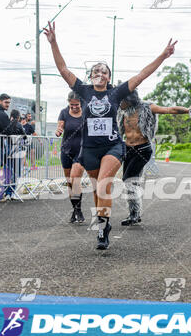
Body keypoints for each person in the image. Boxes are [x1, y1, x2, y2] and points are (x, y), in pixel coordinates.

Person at [45, 21, 177, 250]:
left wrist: (163, 56)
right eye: (96, 71)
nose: (99, 73)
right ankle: (102, 223)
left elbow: (142, 74)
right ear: (91, 76)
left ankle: (103, 229)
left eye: (103, 71)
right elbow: (63, 70)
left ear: (108, 77)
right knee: (98, 188)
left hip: (113, 147)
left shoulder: (116, 93)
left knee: (104, 183)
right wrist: (54, 42)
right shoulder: (83, 91)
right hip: (89, 150)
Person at [117, 90, 191, 226]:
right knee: (131, 181)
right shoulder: (121, 111)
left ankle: (134, 214)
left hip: (143, 149)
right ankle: (135, 213)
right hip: (128, 149)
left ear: (129, 100)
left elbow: (169, 109)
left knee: (128, 179)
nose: (120, 103)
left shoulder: (147, 107)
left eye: (122, 101)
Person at [55, 91, 85, 223]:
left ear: (81, 103)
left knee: (75, 179)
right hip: (66, 150)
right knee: (69, 182)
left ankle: (78, 210)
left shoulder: (86, 112)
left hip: (82, 151)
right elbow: (60, 125)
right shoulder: (64, 112)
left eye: (76, 105)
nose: (74, 107)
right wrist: (58, 130)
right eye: (71, 105)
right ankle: (75, 210)